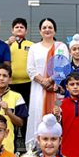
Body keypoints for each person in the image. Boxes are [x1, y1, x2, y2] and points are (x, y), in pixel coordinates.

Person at [25, 18, 69, 146]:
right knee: (37, 115)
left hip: (55, 88)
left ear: (54, 31)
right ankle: (36, 147)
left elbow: (64, 66)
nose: (47, 30)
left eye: (50, 27)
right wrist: (42, 81)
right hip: (38, 89)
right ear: (40, 31)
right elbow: (30, 69)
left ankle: (54, 147)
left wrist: (49, 80)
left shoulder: (61, 47)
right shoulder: (34, 48)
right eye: (44, 27)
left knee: (55, 115)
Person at [6, 18, 34, 149]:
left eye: (22, 27)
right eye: (16, 27)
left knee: (25, 112)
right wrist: (7, 42)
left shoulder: (32, 45)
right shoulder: (7, 44)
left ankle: (25, 140)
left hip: (28, 84)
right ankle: (12, 141)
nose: (19, 29)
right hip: (11, 84)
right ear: (12, 30)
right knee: (12, 111)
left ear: (26, 31)